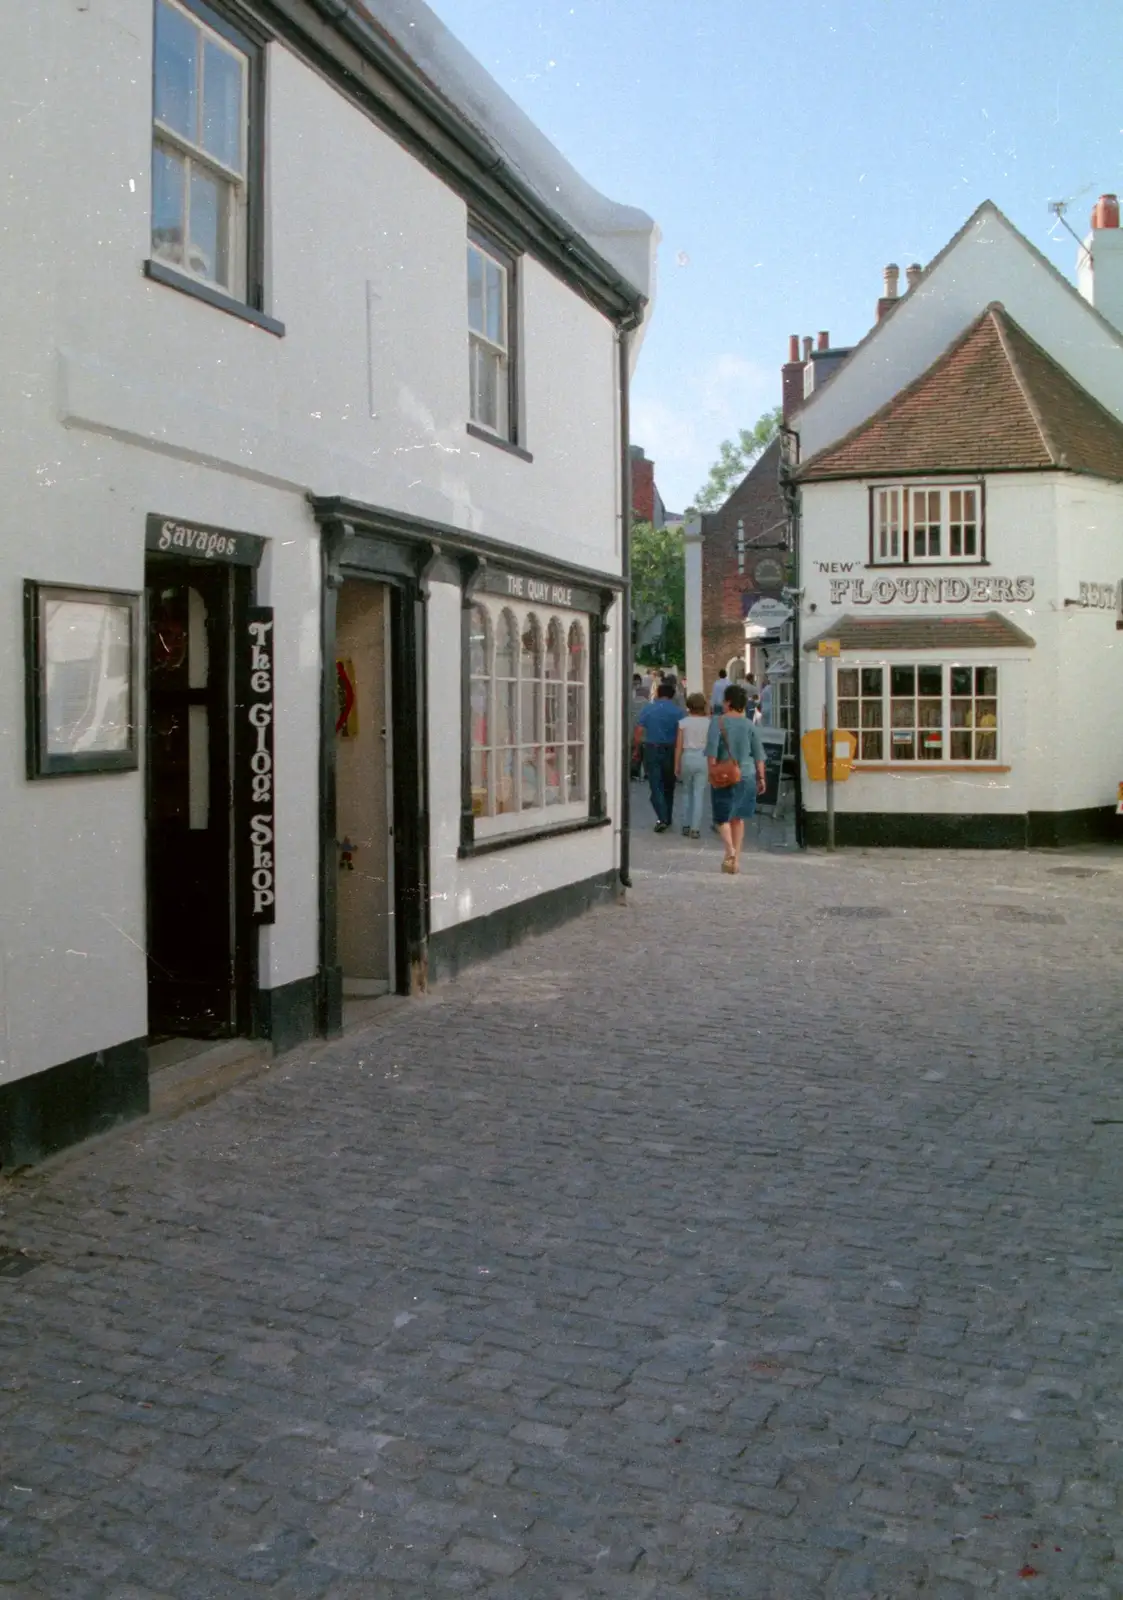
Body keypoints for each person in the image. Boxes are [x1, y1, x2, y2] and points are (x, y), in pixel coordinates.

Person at [707, 682, 766, 874]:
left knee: (721, 817)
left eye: (724, 701)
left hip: (724, 774)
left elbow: (711, 754)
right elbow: (759, 755)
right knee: (738, 819)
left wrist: (712, 772)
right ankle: (735, 861)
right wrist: (762, 778)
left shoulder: (717, 722)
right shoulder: (750, 725)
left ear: (729, 702)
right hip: (747, 775)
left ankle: (729, 850)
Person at [633, 681, 681, 831]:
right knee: (669, 784)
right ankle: (668, 815)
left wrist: (636, 749)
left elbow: (639, 730)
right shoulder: (678, 712)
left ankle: (662, 817)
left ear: (658, 693)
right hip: (671, 749)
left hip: (652, 748)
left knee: (655, 784)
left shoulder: (649, 709)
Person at [675, 692, 711, 839]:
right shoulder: (709, 723)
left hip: (687, 756)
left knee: (686, 792)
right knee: (699, 794)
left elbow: (679, 746)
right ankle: (695, 828)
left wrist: (676, 764)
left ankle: (685, 824)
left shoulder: (683, 723)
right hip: (703, 757)